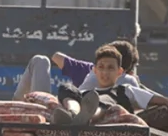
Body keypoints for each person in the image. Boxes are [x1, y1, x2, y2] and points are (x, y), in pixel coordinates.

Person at [13, 39, 141, 101]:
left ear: (120, 71)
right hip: (66, 109)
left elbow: (56, 57)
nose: (104, 74)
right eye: (101, 66)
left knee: (40, 60)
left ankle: (15, 105)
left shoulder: (92, 72)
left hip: (52, 109)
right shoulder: (131, 84)